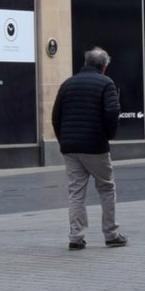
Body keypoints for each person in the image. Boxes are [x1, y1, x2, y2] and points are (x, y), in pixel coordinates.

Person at [51, 46, 128, 251]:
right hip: (95, 145)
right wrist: (108, 136)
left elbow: (55, 115)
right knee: (106, 187)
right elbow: (112, 111)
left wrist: (63, 140)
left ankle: (76, 237)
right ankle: (111, 234)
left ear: (85, 64)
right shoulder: (106, 83)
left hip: (70, 146)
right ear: (103, 67)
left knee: (76, 192)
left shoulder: (67, 84)